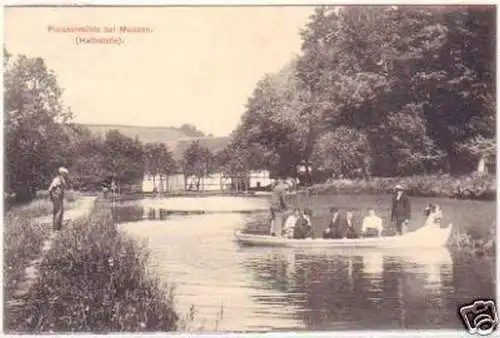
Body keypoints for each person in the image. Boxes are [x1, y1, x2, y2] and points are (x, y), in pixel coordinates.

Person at [48, 167, 69, 231]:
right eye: (65, 173)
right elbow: (50, 188)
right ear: (62, 173)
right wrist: (52, 196)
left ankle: (58, 227)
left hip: (59, 197)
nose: (66, 175)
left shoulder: (61, 179)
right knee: (58, 211)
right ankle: (56, 228)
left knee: (60, 211)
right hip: (56, 196)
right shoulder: (57, 179)